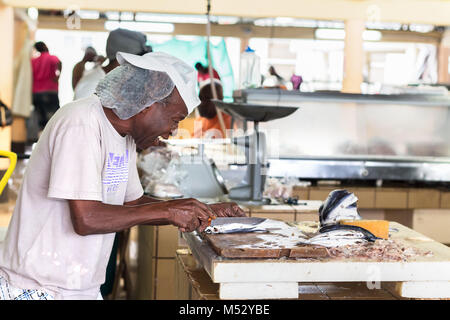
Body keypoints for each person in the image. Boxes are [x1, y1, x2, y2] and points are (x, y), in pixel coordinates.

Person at [0, 51, 246, 300]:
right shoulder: (81, 122)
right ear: (148, 105)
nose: (173, 131)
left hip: (77, 286)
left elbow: (132, 203)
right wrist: (170, 211)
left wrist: (203, 209)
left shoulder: (125, 137)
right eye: (174, 120)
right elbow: (86, 218)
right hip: (37, 286)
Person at [73, 29, 152, 100]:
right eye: (135, 61)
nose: (137, 67)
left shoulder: (113, 81)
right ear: (120, 59)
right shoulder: (92, 85)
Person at [31, 41, 62, 131]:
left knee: (41, 120)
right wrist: (58, 75)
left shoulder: (33, 61)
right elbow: (59, 63)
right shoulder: (52, 58)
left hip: (36, 92)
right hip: (50, 90)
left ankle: (41, 139)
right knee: (53, 119)